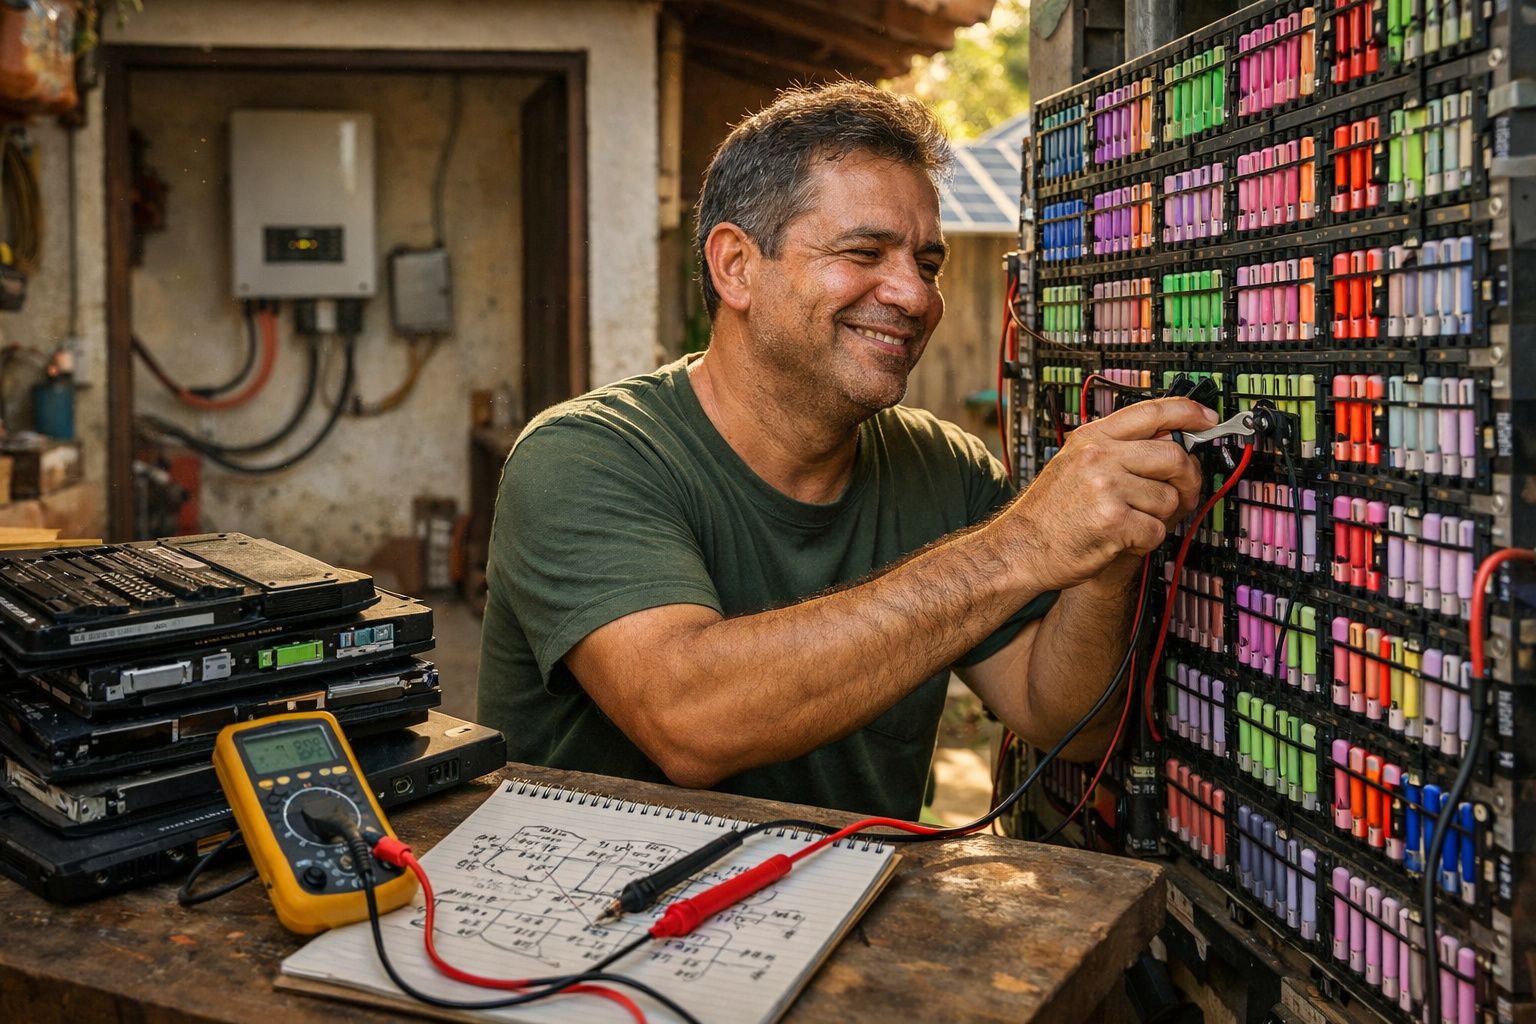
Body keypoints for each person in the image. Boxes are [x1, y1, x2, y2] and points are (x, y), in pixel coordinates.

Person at [476, 81, 1216, 819]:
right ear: (735, 266)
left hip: (859, 917)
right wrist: (1020, 545)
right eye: (865, 251)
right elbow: (690, 722)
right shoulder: (585, 456)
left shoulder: (944, 471)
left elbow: (1063, 724)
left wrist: (1105, 556)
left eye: (927, 265)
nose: (916, 297)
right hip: (606, 919)